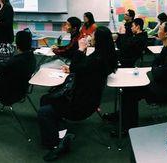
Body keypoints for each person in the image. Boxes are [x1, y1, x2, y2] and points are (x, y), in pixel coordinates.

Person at [38, 26, 118, 161]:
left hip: (80, 105)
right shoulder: (105, 56)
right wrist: (74, 68)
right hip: (90, 100)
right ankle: (61, 132)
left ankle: (55, 144)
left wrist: (80, 49)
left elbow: (79, 66)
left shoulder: (96, 59)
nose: (90, 37)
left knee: (44, 110)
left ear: (98, 40)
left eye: (93, 36)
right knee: (46, 99)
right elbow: (83, 68)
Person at [120, 21, 167, 131]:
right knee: (128, 90)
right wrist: (157, 68)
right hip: (164, 84)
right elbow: (156, 64)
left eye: (160, 28)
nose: (157, 31)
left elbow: (158, 73)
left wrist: (156, 69)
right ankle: (122, 118)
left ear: (166, 34)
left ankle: (127, 127)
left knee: (129, 93)